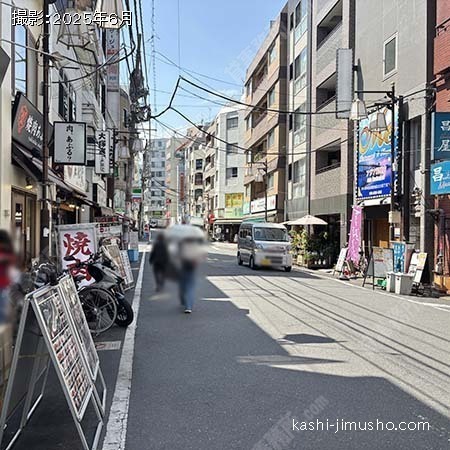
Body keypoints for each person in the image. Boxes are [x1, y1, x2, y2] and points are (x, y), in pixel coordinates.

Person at [178, 237, 204, 314]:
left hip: (183, 269)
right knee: (190, 288)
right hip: (191, 269)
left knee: (183, 286)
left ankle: (184, 301)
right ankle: (188, 306)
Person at [0, 231, 15, 324]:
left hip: (3, 282)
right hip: (4, 282)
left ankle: (3, 321)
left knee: (3, 302)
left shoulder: (6, 251)